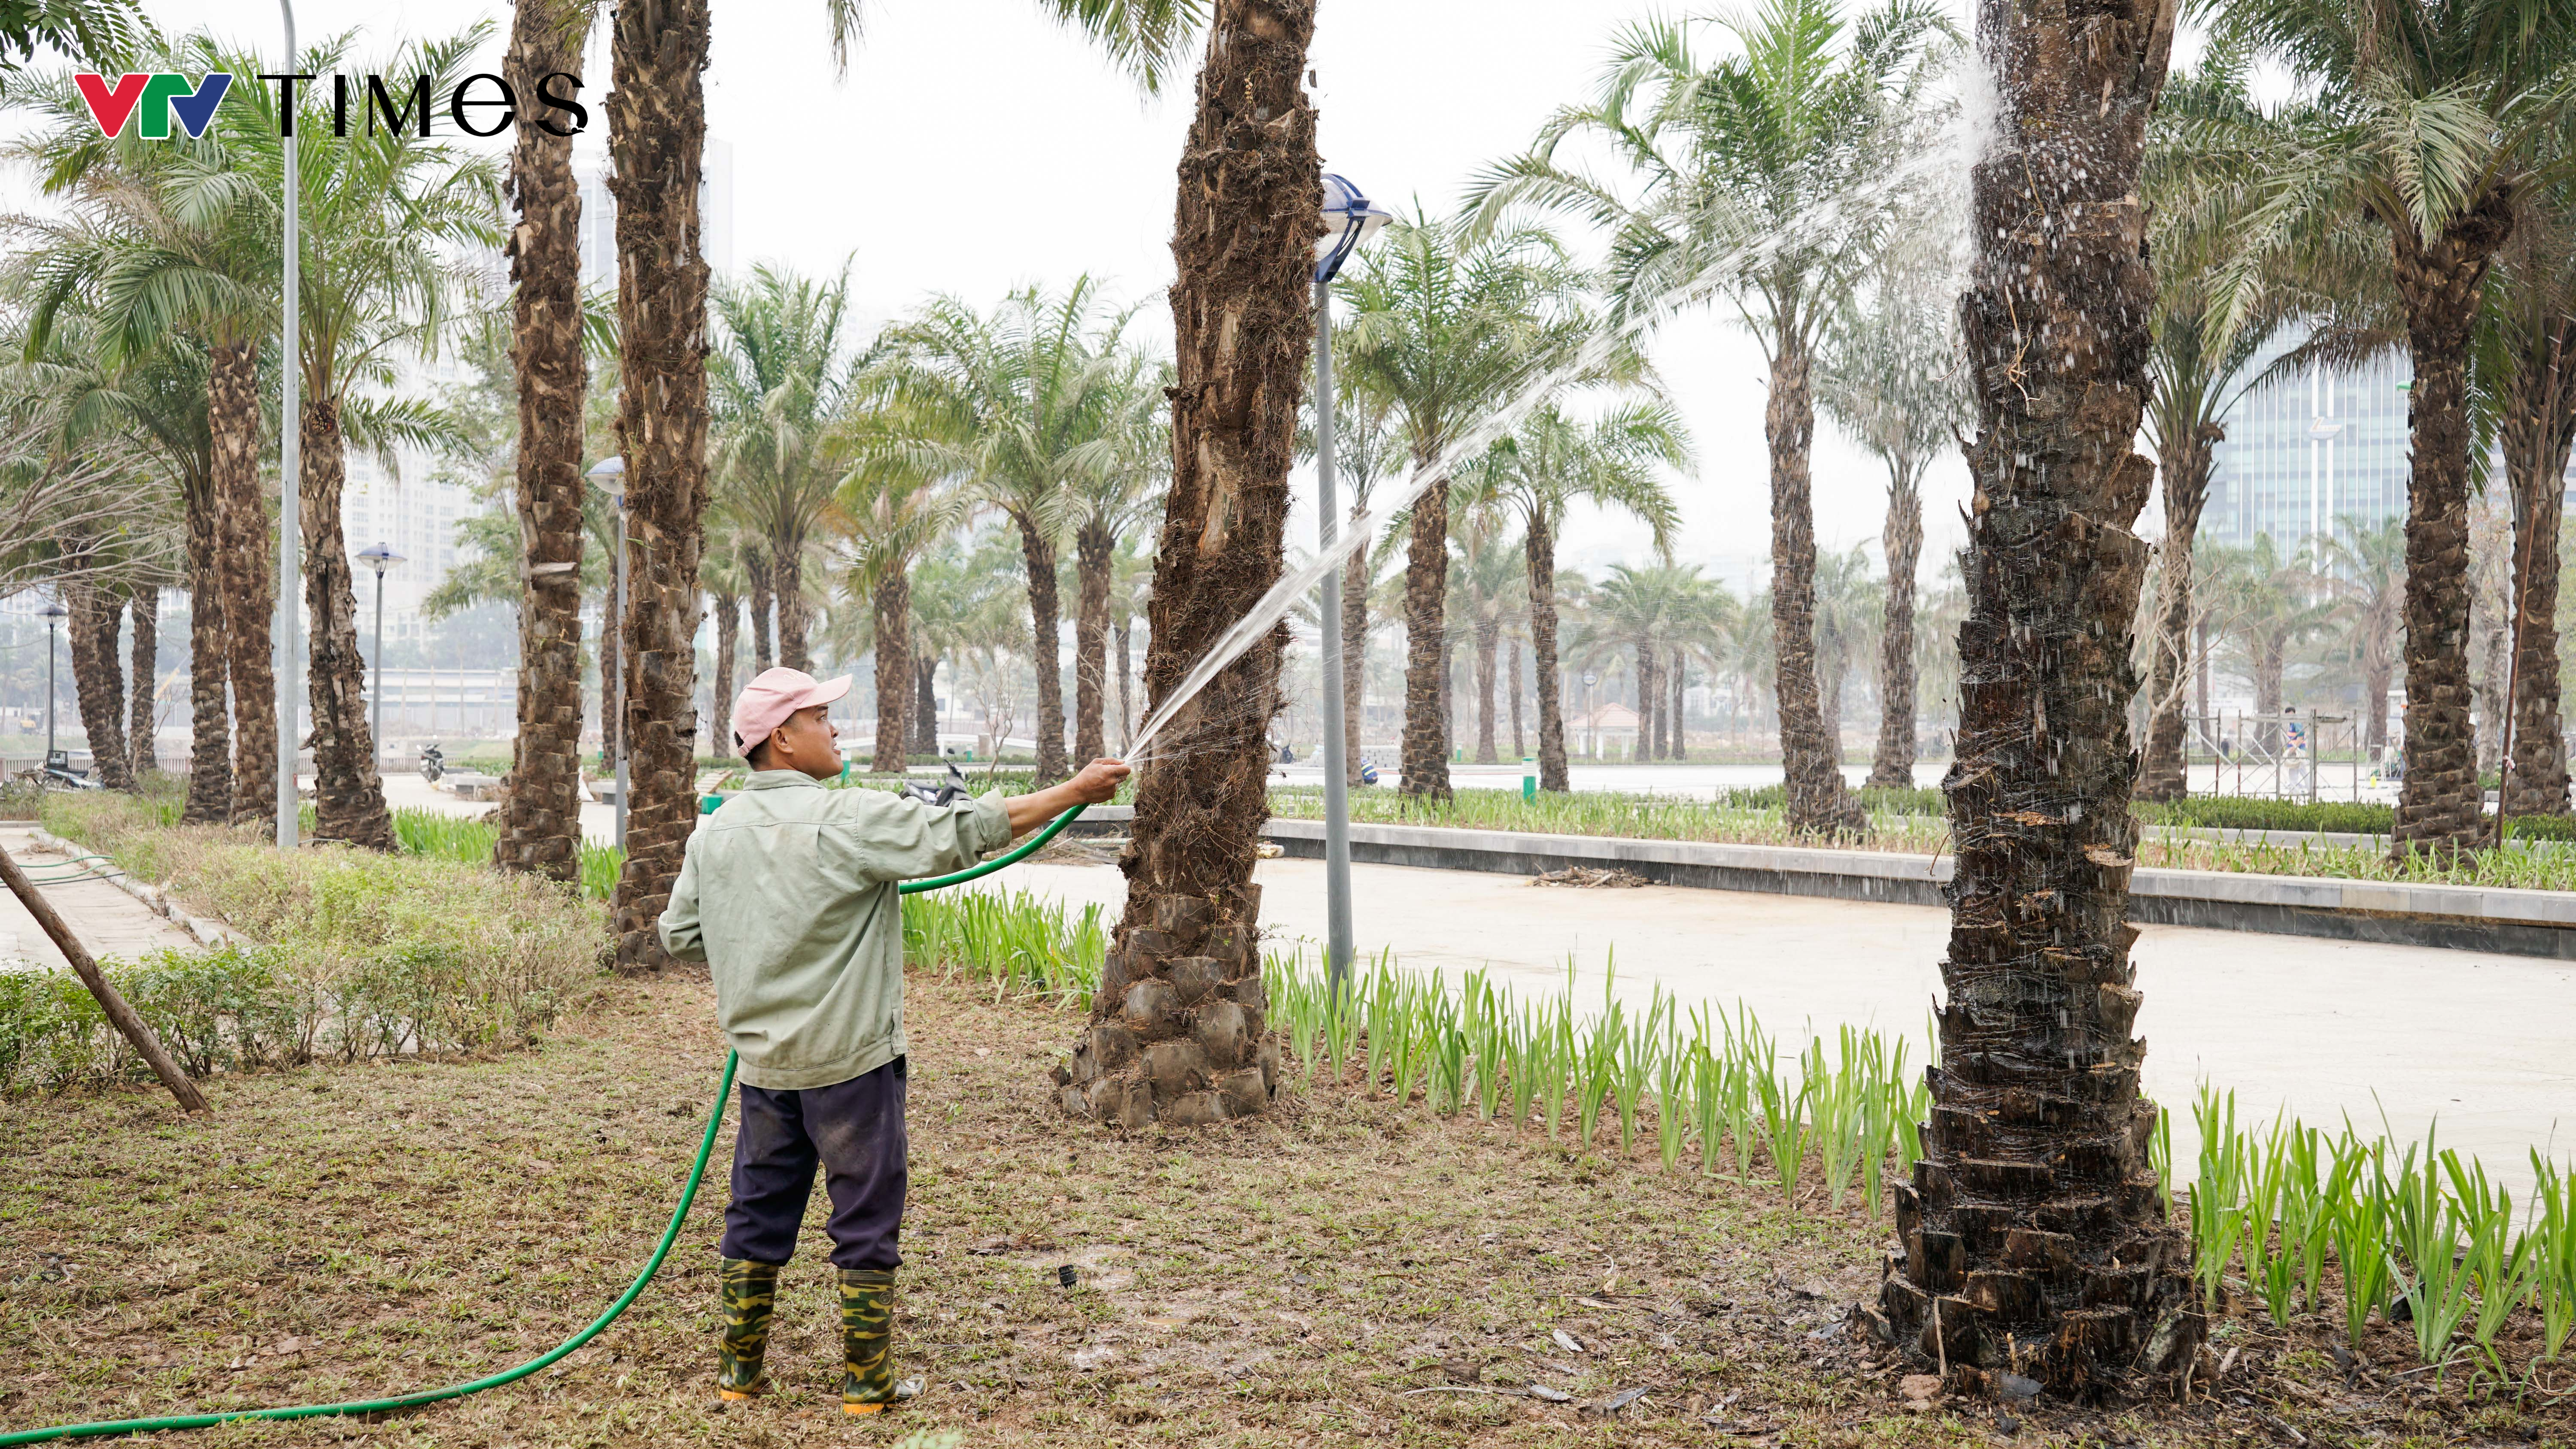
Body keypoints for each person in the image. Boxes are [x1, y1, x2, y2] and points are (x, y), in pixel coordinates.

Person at [658, 667, 1128, 1414]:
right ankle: (866, 1387)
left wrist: (762, 931)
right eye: (821, 717)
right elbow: (961, 832)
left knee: (757, 1209)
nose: (835, 729)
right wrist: (1072, 792)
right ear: (783, 738)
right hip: (850, 1065)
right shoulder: (846, 819)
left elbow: (681, 935)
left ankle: (739, 1376)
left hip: (765, 1068)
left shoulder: (714, 831)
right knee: (865, 1217)